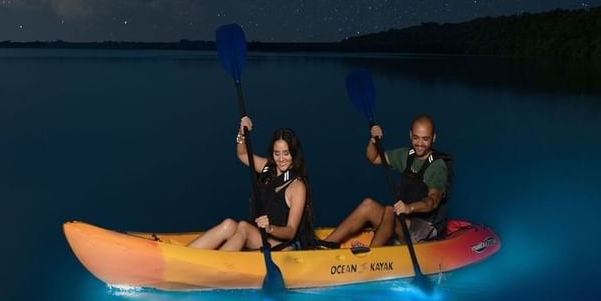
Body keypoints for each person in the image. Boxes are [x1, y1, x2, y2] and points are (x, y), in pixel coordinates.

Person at [188, 116, 315, 251]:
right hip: (260, 237)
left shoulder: (297, 186)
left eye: (286, 153)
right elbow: (242, 154)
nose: (281, 158)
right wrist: (242, 133)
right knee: (229, 224)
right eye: (277, 153)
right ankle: (184, 256)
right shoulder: (267, 168)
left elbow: (291, 231)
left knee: (244, 227)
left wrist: (270, 228)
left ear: (294, 154)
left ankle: (212, 266)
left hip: (282, 246)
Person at [322, 114, 448, 248]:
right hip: (404, 221)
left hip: (425, 229)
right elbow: (374, 157)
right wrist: (373, 142)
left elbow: (432, 202)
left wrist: (409, 207)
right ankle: (326, 245)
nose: (420, 144)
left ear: (433, 138)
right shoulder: (408, 155)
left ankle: (372, 255)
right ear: (410, 135)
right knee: (368, 204)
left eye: (425, 139)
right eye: (416, 138)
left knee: (389, 210)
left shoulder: (437, 166)